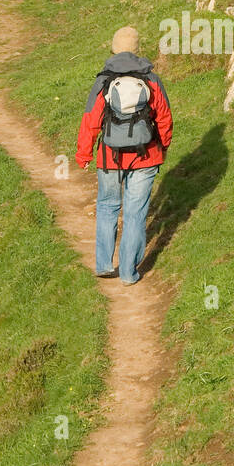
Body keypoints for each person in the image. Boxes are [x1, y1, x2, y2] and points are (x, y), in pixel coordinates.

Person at [75, 26, 173, 285]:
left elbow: (90, 120)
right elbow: (164, 117)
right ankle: (129, 274)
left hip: (109, 157)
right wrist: (162, 147)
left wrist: (83, 154)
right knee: (135, 213)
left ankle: (105, 264)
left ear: (114, 48)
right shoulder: (151, 79)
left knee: (107, 206)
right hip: (146, 156)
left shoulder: (103, 80)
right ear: (138, 48)